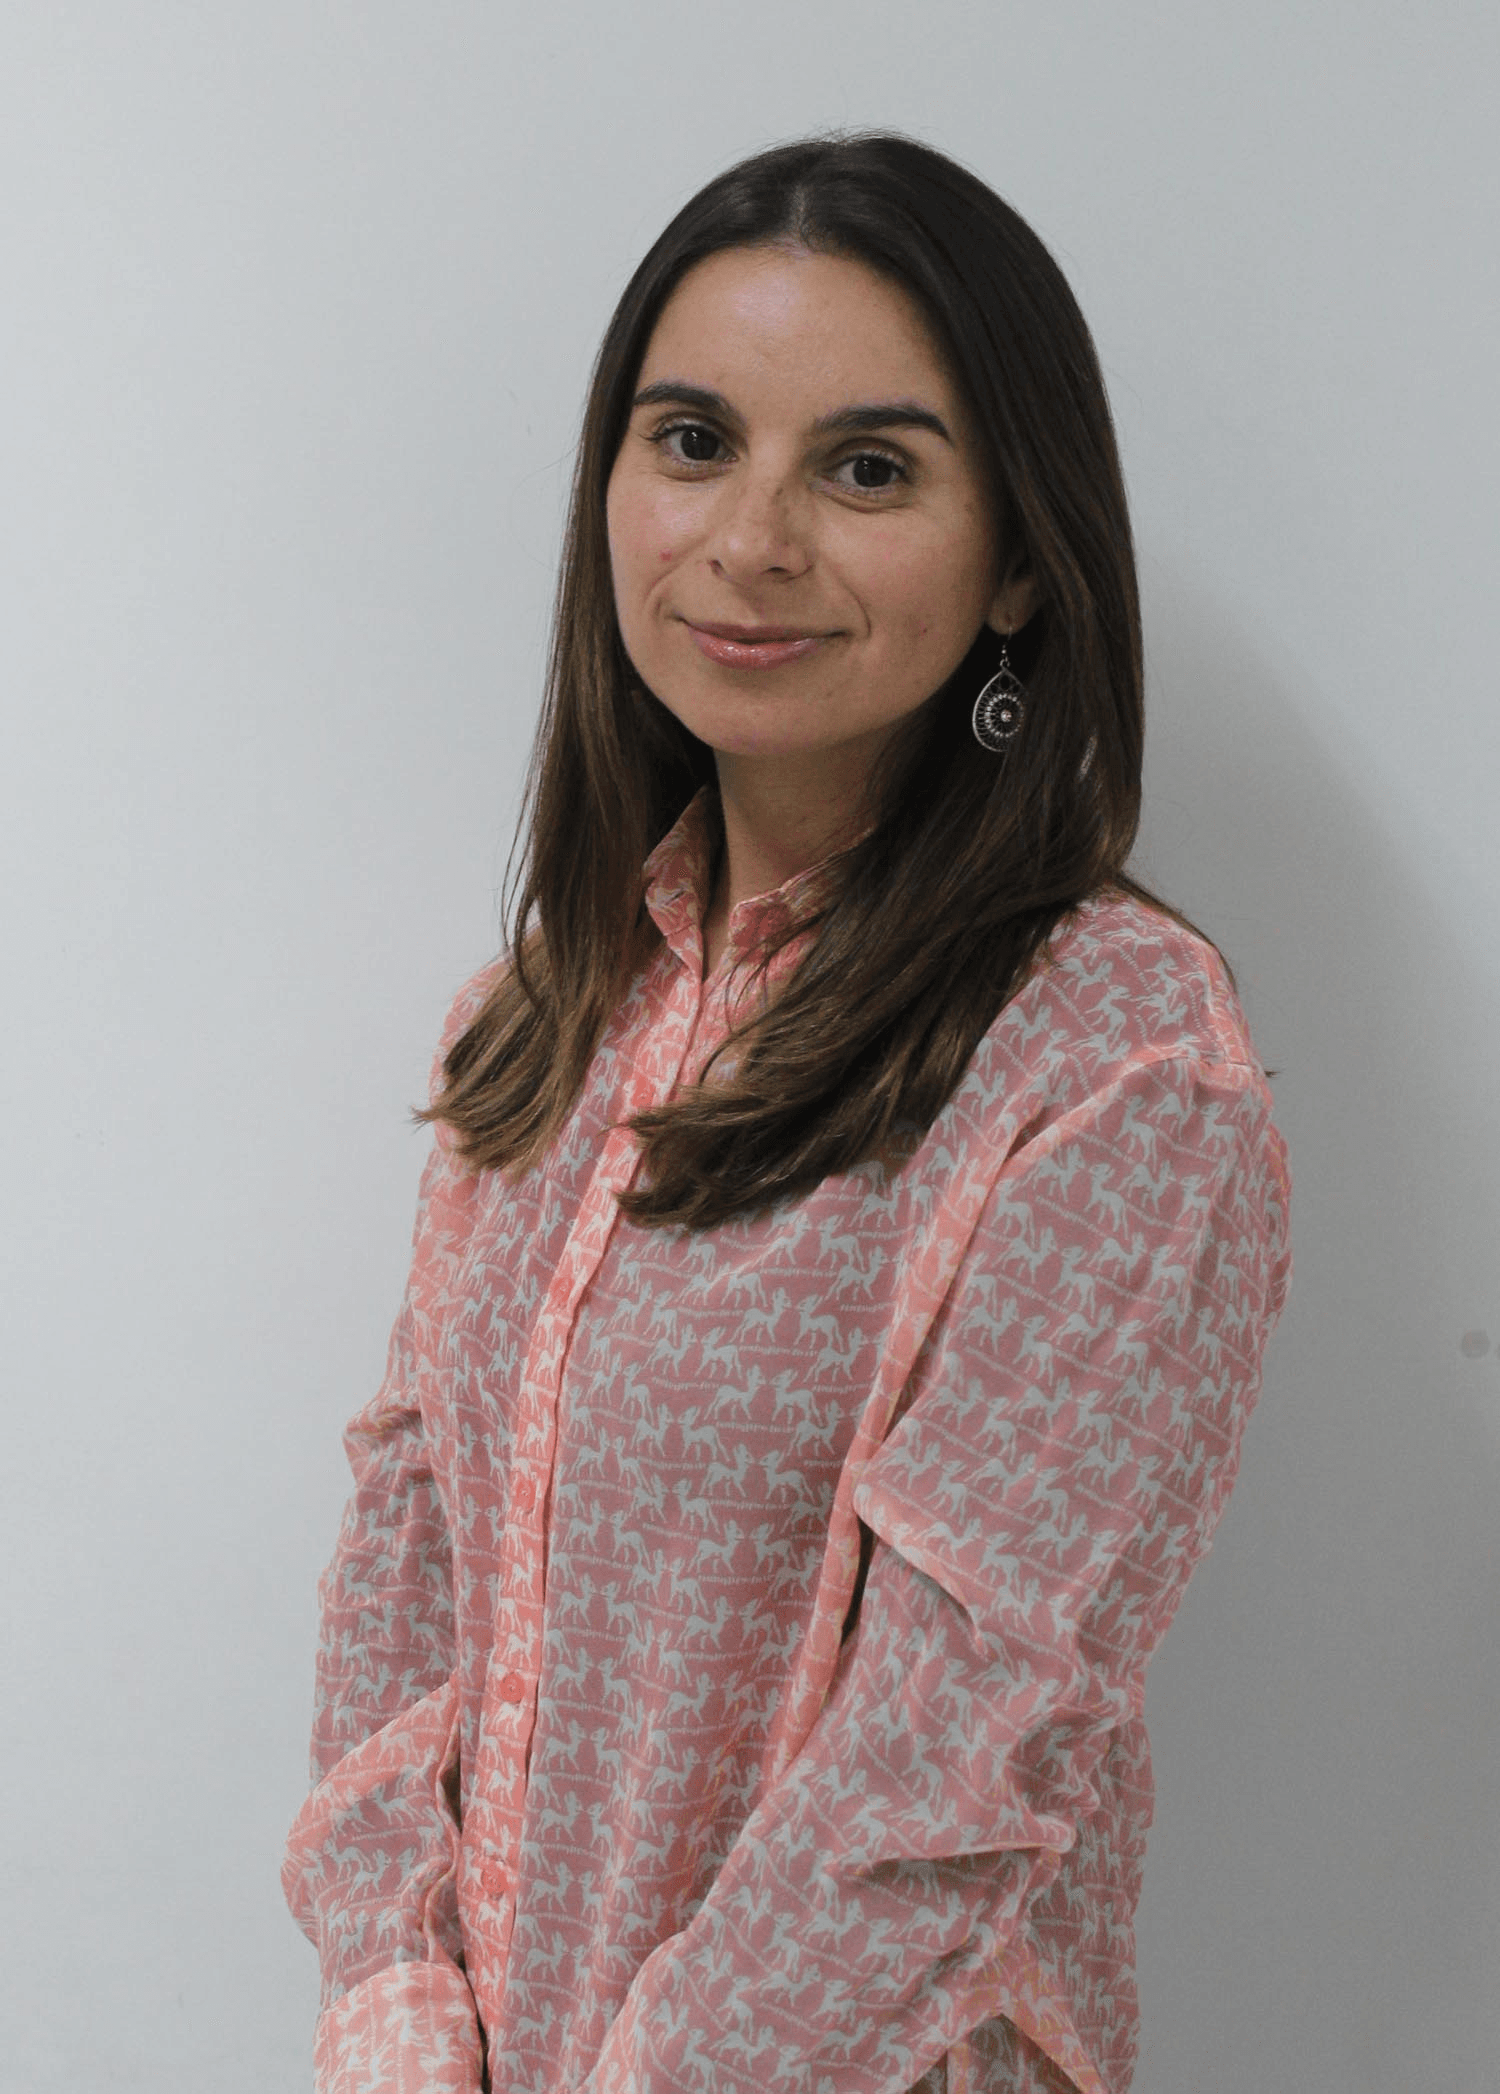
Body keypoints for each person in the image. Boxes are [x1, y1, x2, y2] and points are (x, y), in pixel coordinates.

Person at [282, 132, 1291, 2094]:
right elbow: (407, 1564)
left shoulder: (1116, 1061)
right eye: (692, 441)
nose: (751, 537)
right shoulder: (549, 1013)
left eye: (868, 469)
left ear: (1021, 558)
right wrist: (398, 2015)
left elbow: (961, 1764)